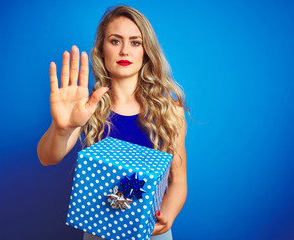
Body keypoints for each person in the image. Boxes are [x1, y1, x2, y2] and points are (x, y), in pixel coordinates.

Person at [37, 5, 188, 240]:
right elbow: (47, 157)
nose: (125, 51)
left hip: (151, 233)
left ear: (146, 50)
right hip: (99, 230)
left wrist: (166, 218)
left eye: (135, 42)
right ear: (102, 50)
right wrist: (62, 127)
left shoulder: (169, 110)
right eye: (115, 41)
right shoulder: (86, 108)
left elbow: (178, 182)